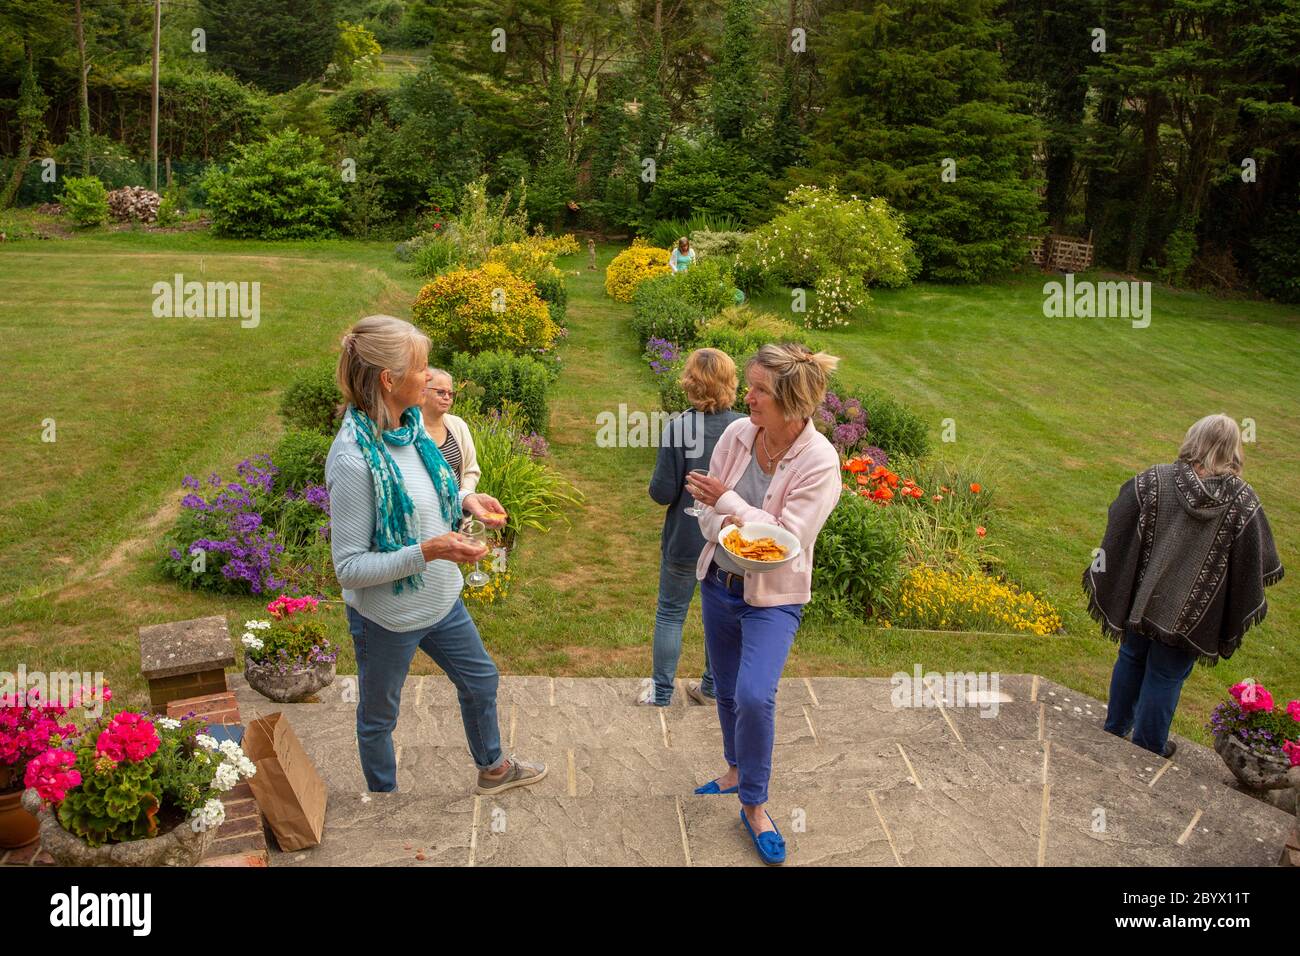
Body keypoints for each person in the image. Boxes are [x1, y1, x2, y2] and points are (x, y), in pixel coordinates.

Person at [325, 314, 547, 795]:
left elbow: (433, 489)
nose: (429, 377)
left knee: (481, 680)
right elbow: (349, 567)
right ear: (389, 379)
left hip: (441, 600)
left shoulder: (410, 429)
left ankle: (493, 768)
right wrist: (428, 550)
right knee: (380, 716)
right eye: (422, 368)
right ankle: (384, 801)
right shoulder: (352, 458)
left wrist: (467, 501)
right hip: (387, 616)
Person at [684, 344, 844, 864]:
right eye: (749, 386)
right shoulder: (737, 435)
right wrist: (725, 516)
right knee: (727, 692)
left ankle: (754, 805)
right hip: (720, 585)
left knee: (756, 695)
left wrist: (728, 505)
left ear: (793, 404)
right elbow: (702, 512)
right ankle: (735, 768)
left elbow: (785, 540)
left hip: (773, 599)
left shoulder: (819, 462)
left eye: (759, 391)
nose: (746, 397)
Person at [1085, 413, 1283, 759]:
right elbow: (1256, 557)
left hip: (1142, 598)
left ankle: (1115, 729)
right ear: (1233, 450)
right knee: (1165, 675)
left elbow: (1119, 513)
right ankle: (1147, 749)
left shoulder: (1156, 479)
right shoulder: (1242, 500)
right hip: (1193, 614)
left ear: (1194, 439)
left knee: (1131, 657)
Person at [643, 349, 744, 707]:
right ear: (730, 382)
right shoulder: (744, 428)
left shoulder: (679, 428)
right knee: (720, 615)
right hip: (730, 541)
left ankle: (661, 693)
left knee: (671, 611)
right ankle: (712, 689)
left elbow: (662, 492)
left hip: (685, 538)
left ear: (690, 382)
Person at [420, 368, 480, 493]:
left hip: (456, 509)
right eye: (441, 392)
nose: (447, 397)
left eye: (450, 393)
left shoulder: (458, 425)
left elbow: (471, 469)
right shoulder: (411, 429)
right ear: (423, 391)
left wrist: (464, 498)